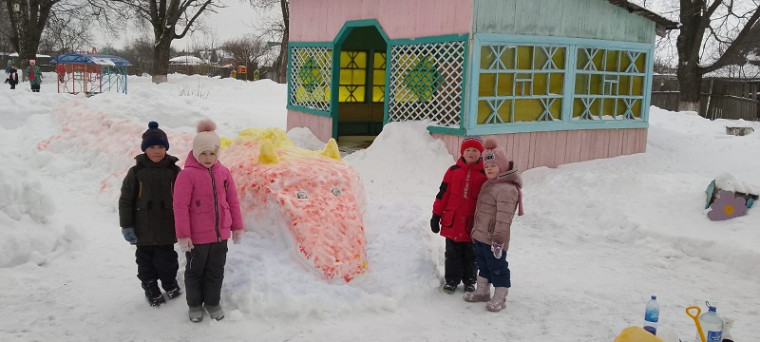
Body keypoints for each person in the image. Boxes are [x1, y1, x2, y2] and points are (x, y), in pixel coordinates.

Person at [173, 119, 244, 323]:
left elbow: (233, 201)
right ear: (195, 152)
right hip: (197, 237)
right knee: (195, 271)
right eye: (203, 153)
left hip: (220, 235)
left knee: (215, 271)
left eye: (212, 153)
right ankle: (194, 305)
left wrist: (237, 227)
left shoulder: (224, 173)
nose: (208, 158)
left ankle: (212, 303)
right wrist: (183, 235)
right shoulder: (187, 176)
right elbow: (180, 207)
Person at [118, 121, 183, 307]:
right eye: (152, 147)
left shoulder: (174, 171)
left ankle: (169, 282)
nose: (156, 151)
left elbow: (183, 199)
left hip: (166, 227)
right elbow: (125, 200)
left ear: (166, 148)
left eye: (161, 147)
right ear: (144, 149)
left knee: (168, 261)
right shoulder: (136, 172)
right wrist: (127, 225)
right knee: (145, 263)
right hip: (142, 228)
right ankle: (150, 286)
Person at [463, 138, 523, 312]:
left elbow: (504, 219)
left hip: (494, 239)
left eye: (493, 166)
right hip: (482, 236)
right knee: (483, 265)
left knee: (497, 267)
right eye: (487, 167)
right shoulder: (491, 184)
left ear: (502, 167)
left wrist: (499, 240)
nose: (489, 169)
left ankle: (500, 297)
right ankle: (482, 291)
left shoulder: (507, 189)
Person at [431, 137, 487, 294]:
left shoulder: (485, 174)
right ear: (462, 152)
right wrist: (436, 215)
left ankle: (470, 281)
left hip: (474, 223)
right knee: (452, 254)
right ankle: (451, 281)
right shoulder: (453, 171)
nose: (471, 153)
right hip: (453, 221)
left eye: (475, 150)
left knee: (472, 255)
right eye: (468, 150)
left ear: (480, 153)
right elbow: (443, 194)